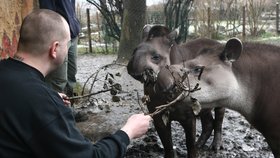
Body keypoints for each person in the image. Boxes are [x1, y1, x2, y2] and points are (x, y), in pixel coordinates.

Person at [0, 9, 151, 158]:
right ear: (55, 49)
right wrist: (128, 132)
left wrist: (49, 99)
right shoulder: (42, 103)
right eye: (68, 44)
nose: (68, 48)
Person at [39, 0, 80, 97]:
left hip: (72, 35)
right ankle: (55, 109)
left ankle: (69, 107)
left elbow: (71, 10)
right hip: (58, 36)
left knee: (71, 76)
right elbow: (47, 11)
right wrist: (54, 35)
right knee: (58, 80)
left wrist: (75, 25)